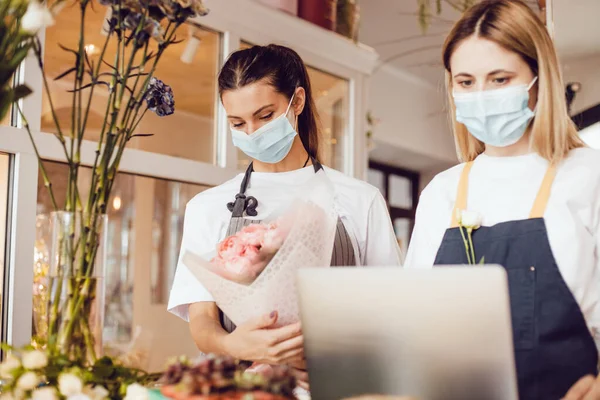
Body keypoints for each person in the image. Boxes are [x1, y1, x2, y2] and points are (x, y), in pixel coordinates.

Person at [168, 44, 402, 389]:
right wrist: (234, 344)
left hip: (335, 386)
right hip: (244, 388)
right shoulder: (208, 205)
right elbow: (202, 320)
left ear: (297, 101)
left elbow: (389, 309)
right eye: (237, 122)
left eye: (264, 116)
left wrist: (333, 359)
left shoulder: (359, 199)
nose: (251, 132)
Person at [404, 0, 600, 399]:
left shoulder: (588, 176)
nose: (481, 95)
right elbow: (414, 324)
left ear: (539, 79)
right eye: (466, 82)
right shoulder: (442, 191)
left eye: (499, 79)